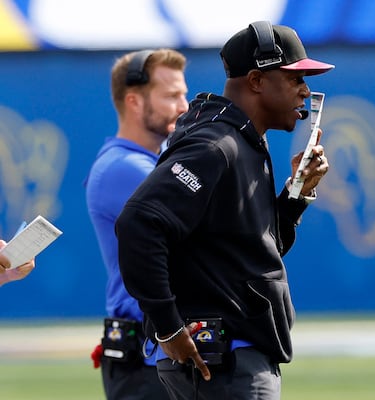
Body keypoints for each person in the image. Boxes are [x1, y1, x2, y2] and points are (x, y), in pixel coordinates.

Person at [115, 21, 334, 399]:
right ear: (256, 81)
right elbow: (139, 223)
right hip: (225, 361)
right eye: (295, 78)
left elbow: (247, 255)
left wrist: (296, 196)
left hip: (230, 360)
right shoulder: (217, 145)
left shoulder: (242, 142)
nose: (305, 91)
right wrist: (168, 327)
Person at [85, 48, 189, 399]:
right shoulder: (124, 167)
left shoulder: (147, 163)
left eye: (184, 94)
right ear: (134, 101)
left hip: (150, 356)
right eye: (171, 95)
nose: (184, 105)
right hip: (146, 363)